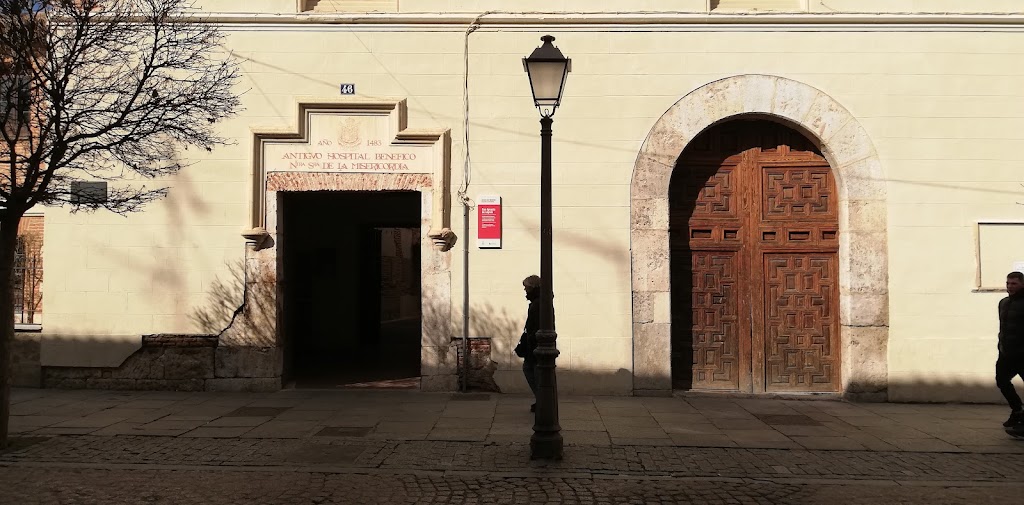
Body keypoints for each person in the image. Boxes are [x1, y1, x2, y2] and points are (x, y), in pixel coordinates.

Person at [997, 271, 1024, 428]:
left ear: (1022, 284)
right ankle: (1017, 410)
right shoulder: (1003, 303)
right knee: (1001, 381)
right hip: (1006, 352)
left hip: (1022, 353)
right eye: (1008, 283)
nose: (1010, 286)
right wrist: (1001, 346)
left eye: (1014, 283)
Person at [516, 275, 542, 412]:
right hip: (535, 344)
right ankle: (542, 400)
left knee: (534, 373)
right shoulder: (538, 302)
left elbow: (536, 325)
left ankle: (543, 401)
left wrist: (531, 339)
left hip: (537, 345)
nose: (525, 290)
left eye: (526, 287)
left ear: (532, 287)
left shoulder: (539, 304)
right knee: (532, 371)